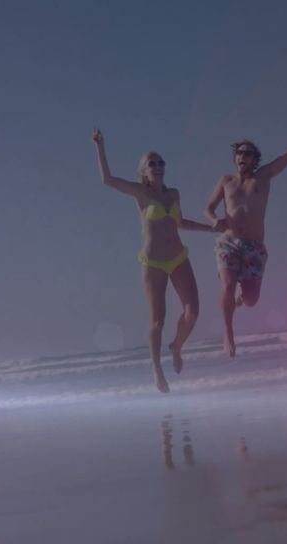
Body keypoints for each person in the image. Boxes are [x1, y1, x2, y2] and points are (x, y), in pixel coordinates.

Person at [92, 128, 225, 392]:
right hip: (153, 264)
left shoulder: (173, 194)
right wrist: (100, 145)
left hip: (178, 258)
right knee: (157, 321)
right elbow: (107, 179)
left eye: (161, 162)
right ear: (144, 171)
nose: (158, 166)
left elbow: (180, 222)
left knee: (193, 312)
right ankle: (156, 368)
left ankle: (176, 346)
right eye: (152, 163)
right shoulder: (141, 193)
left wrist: (210, 229)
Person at [204, 117, 287, 357]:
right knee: (227, 284)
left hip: (254, 246)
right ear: (235, 157)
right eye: (240, 152)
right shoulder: (226, 181)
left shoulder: (263, 177)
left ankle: (240, 299)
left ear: (254, 159)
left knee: (251, 300)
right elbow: (208, 208)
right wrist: (213, 219)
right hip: (228, 243)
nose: (243, 156)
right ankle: (228, 332)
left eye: (248, 153)